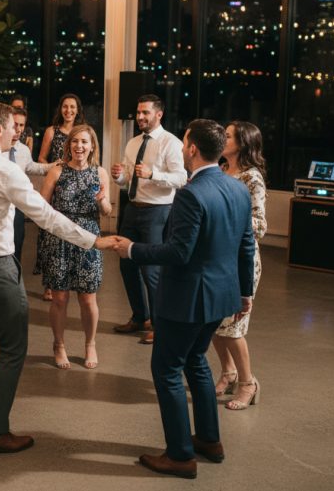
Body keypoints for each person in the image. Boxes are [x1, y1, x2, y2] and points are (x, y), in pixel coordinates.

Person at [0, 101, 118, 456]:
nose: (16, 132)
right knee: (12, 348)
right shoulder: (6, 170)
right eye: (12, 127)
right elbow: (45, 215)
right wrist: (93, 240)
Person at [113, 119, 255, 479]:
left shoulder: (191, 194)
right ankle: (209, 440)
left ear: (191, 149)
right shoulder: (237, 189)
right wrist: (244, 292)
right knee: (196, 362)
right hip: (221, 297)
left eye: (184, 142)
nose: (181, 146)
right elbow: (246, 245)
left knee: (167, 369)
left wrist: (132, 249)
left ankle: (179, 455)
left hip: (188, 298)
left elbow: (178, 252)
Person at [111, 95, 187, 344]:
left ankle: (159, 324)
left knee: (152, 271)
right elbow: (129, 179)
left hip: (158, 212)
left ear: (159, 114)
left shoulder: (171, 143)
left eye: (145, 113)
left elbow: (181, 178)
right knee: (126, 264)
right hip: (132, 209)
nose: (140, 117)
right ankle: (139, 317)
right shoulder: (132, 143)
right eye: (138, 112)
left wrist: (153, 173)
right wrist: (120, 177)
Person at [39, 125, 112, 370]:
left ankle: (90, 343)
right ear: (68, 144)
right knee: (59, 297)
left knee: (88, 298)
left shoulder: (100, 173)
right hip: (59, 238)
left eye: (84, 142)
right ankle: (58, 345)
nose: (79, 146)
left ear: (92, 146)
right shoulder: (56, 171)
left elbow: (107, 210)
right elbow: (41, 207)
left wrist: (103, 202)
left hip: (88, 239)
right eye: (74, 141)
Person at [212, 121, 266, 410]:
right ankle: (228, 372)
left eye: (229, 135)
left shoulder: (251, 179)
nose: (223, 138)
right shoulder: (220, 171)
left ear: (243, 143)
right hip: (218, 259)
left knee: (233, 326)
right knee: (214, 324)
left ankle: (248, 383)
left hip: (241, 261)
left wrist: (226, 220)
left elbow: (260, 225)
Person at [35, 93, 86, 302]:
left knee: (71, 233)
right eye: (65, 107)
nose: (68, 111)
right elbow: (40, 158)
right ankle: (49, 283)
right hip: (55, 187)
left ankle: (70, 278)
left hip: (76, 189)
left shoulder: (82, 132)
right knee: (50, 234)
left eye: (72, 107)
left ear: (77, 110)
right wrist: (53, 165)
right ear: (60, 109)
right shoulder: (51, 131)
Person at [10, 108, 52, 258]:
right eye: (15, 124)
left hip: (17, 207)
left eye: (22, 125)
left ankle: (14, 280)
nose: (18, 129)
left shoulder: (23, 150)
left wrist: (54, 166)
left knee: (17, 246)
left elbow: (33, 167)